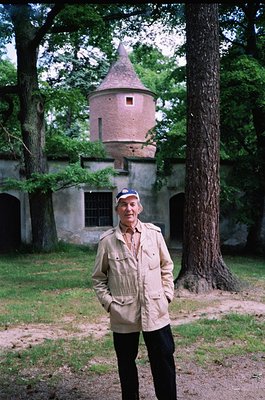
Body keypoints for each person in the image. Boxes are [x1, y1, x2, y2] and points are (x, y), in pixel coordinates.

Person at [92, 188, 177, 400]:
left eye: (132, 204)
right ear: (117, 209)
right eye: (123, 204)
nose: (128, 208)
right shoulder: (107, 241)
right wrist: (110, 305)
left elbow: (167, 267)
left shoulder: (154, 234)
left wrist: (166, 296)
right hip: (123, 312)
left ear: (139, 208)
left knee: (163, 359)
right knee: (126, 363)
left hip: (156, 309)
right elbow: (98, 278)